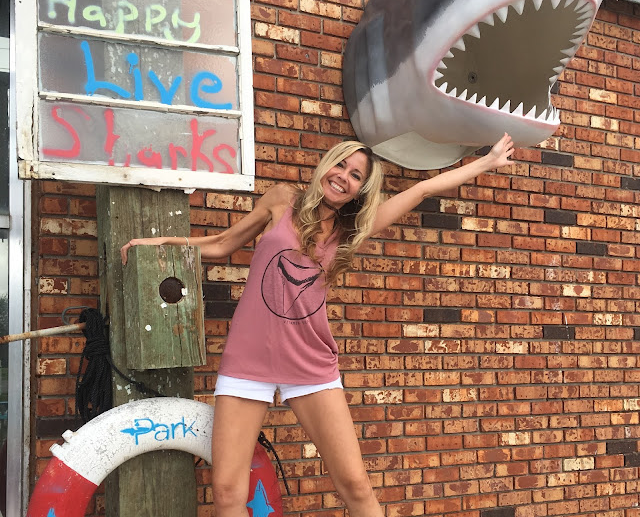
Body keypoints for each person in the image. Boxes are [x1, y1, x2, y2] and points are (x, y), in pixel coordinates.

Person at [121, 133, 515, 517]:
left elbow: (422, 191)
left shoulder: (352, 229)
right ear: (326, 166)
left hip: (310, 365)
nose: (344, 176)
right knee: (226, 493)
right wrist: (160, 246)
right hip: (248, 360)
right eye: (341, 164)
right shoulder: (281, 200)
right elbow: (223, 243)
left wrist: (487, 161)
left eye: (357, 175)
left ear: (361, 190)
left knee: (355, 486)